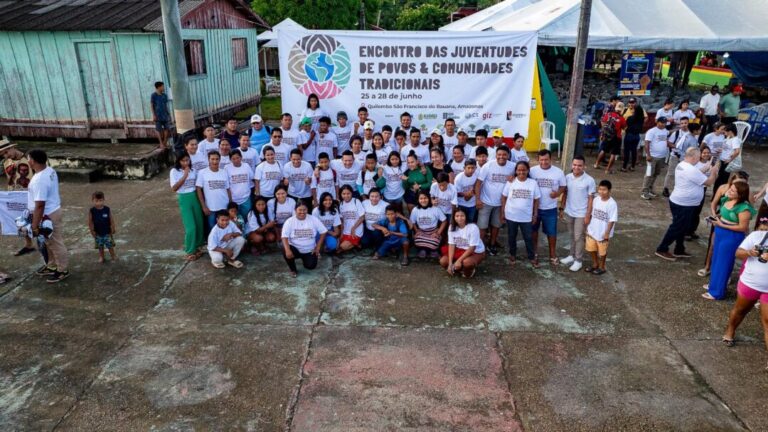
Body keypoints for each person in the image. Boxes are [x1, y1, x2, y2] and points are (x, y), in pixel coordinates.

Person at [656, 147, 720, 261]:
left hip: (681, 202)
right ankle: (662, 248)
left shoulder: (682, 165)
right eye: (698, 157)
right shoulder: (690, 169)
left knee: (682, 226)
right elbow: (709, 182)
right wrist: (714, 172)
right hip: (684, 204)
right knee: (677, 227)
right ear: (694, 157)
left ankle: (679, 249)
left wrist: (707, 166)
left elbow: (697, 173)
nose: (699, 159)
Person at [721, 218, 768, 355]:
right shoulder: (757, 235)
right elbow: (738, 253)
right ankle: (730, 330)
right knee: (740, 310)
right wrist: (749, 253)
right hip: (751, 283)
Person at [703, 181, 756, 300]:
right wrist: (716, 219)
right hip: (720, 232)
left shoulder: (744, 208)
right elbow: (723, 214)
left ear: (740, 194)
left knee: (723, 263)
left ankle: (717, 292)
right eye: (730, 188)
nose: (729, 191)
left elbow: (743, 227)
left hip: (732, 236)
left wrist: (722, 225)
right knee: (716, 259)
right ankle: (713, 285)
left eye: (732, 190)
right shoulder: (727, 199)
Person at [27, 149, 69, 283]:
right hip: (52, 211)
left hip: (48, 215)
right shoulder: (49, 170)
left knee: (55, 243)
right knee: (48, 241)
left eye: (29, 158)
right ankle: (52, 265)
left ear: (33, 161)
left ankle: (62, 269)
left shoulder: (39, 180)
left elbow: (40, 205)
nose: (28, 161)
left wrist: (34, 225)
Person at [699, 171, 750, 277]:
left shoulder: (745, 194)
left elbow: (746, 214)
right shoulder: (723, 188)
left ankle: (725, 275)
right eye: (736, 182)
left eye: (742, 183)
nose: (738, 185)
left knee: (727, 253)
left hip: (733, 225)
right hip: (719, 219)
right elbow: (714, 203)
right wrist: (714, 216)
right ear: (732, 181)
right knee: (713, 246)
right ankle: (708, 267)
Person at [500, 160, 541, 268]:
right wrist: (502, 212)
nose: (521, 172)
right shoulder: (511, 182)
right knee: (511, 236)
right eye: (519, 170)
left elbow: (537, 199)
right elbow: (503, 197)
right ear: (516, 171)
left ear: (528, 170)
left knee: (528, 237)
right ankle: (512, 255)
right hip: (511, 215)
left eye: (524, 170)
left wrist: (535, 214)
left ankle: (531, 257)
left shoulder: (533, 183)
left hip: (526, 217)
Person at [475, 146, 514, 255]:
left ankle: (492, 244)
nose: (501, 157)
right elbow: (478, 183)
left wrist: (514, 178)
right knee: (482, 226)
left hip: (501, 203)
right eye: (499, 154)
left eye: (504, 154)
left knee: (496, 225)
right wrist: (478, 199)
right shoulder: (488, 166)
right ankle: (480, 246)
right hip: (485, 201)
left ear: (508, 156)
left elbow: (520, 178)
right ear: (496, 155)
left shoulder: (513, 166)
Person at [560, 155, 596, 272]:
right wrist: (562, 208)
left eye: (579, 165)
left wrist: (588, 215)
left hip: (582, 213)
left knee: (578, 237)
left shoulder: (589, 180)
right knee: (571, 235)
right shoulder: (567, 177)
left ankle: (578, 260)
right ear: (572, 165)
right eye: (574, 165)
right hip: (569, 211)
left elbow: (591, 199)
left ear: (584, 166)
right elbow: (565, 193)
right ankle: (571, 255)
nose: (576, 167)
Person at [530, 149, 566, 265]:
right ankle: (534, 253)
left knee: (551, 232)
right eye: (541, 160)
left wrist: (557, 194)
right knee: (533, 231)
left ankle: (552, 254)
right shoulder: (532, 171)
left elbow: (563, 186)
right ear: (538, 159)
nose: (544, 162)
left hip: (550, 208)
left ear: (551, 159)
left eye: (546, 160)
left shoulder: (558, 172)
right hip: (534, 208)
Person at [1, 139, 35, 256]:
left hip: (32, 195)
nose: (6, 156)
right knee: (20, 221)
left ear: (12, 148)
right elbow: (10, 180)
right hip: (16, 195)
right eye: (3, 154)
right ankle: (29, 244)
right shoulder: (7, 162)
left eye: (6, 152)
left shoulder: (29, 160)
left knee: (38, 220)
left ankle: (45, 245)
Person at [170, 151, 205, 261]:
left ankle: (197, 247)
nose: (186, 163)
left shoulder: (193, 170)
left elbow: (197, 185)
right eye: (183, 161)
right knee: (191, 227)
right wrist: (185, 175)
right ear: (178, 161)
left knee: (199, 224)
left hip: (195, 197)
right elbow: (174, 188)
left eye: (187, 160)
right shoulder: (174, 171)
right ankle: (189, 250)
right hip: (184, 198)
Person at [281, 201, 327, 277]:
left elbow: (323, 231)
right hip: (295, 249)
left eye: (304, 210)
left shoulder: (313, 219)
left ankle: (305, 259)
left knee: (311, 266)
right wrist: (287, 250)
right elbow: (284, 237)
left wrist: (318, 247)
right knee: (285, 248)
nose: (302, 212)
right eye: (300, 210)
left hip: (309, 250)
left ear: (307, 210)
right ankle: (293, 269)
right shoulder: (289, 221)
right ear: (295, 210)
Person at [584, 180, 618, 275]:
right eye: (600, 189)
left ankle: (602, 267)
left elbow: (612, 220)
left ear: (609, 191)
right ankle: (595, 263)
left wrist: (607, 233)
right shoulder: (596, 200)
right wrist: (588, 226)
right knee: (591, 248)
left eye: (604, 190)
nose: (601, 192)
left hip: (603, 232)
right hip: (592, 230)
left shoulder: (612, 204)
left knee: (602, 252)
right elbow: (592, 213)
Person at [440, 207, 485, 278]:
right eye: (457, 216)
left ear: (466, 216)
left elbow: (472, 248)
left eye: (462, 216)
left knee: (467, 263)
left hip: (475, 251)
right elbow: (451, 245)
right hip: (459, 249)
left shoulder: (473, 227)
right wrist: (450, 263)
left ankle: (470, 269)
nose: (459, 218)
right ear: (453, 217)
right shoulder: (451, 227)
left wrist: (459, 260)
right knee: (443, 261)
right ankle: (458, 268)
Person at [663, 119, 700, 197]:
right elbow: (682, 149)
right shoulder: (688, 137)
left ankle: (676, 189)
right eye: (682, 123)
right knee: (672, 173)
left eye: (686, 123)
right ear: (694, 131)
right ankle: (666, 188)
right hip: (678, 157)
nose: (684, 125)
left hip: (682, 157)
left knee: (681, 175)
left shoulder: (689, 136)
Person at [195, 151, 231, 229]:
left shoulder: (224, 172)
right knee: (211, 228)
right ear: (208, 159)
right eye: (212, 159)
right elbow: (198, 190)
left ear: (220, 160)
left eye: (217, 159)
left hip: (224, 206)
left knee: (225, 227)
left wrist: (230, 203)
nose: (215, 161)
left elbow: (228, 189)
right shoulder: (202, 173)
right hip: (210, 207)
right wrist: (204, 206)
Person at [408, 190, 447, 259]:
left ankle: (433, 251)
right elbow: (412, 222)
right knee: (417, 240)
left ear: (429, 198)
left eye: (425, 198)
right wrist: (416, 231)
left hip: (433, 231)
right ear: (418, 200)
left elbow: (444, 221)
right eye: (421, 198)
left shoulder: (435, 209)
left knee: (435, 241)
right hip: (422, 232)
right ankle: (423, 250)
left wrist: (438, 233)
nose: (423, 200)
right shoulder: (415, 210)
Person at [686, 146, 715, 240]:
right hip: (694, 189)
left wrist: (714, 170)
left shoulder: (710, 163)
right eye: (704, 153)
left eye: (708, 152)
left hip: (703, 189)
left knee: (697, 211)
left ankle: (692, 230)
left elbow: (712, 178)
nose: (706, 154)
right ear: (700, 154)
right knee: (691, 210)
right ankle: (686, 232)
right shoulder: (695, 163)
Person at [640, 117, 671, 200]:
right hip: (652, 156)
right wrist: (648, 155)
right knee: (649, 174)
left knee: (656, 174)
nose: (663, 124)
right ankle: (644, 192)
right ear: (657, 122)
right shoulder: (651, 131)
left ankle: (650, 189)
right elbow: (647, 143)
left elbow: (668, 135)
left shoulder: (665, 131)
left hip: (662, 157)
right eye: (662, 122)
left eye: (665, 122)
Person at [595, 105, 626, 174]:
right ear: (622, 110)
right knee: (613, 154)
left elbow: (603, 123)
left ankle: (596, 164)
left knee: (603, 150)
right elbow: (624, 127)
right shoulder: (621, 118)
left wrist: (603, 134)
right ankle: (608, 169)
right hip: (616, 137)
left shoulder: (608, 114)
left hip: (607, 135)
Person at [713, 123, 743, 193]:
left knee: (722, 180)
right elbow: (727, 149)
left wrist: (730, 160)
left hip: (726, 162)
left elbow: (737, 151)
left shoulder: (735, 140)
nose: (724, 133)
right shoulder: (729, 138)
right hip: (723, 160)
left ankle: (719, 194)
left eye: (726, 131)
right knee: (720, 179)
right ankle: (716, 193)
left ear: (730, 131)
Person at [87, 191, 116, 263]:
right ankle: (101, 257)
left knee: (110, 245)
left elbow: (111, 219)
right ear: (93, 201)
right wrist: (92, 231)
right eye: (96, 201)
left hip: (107, 232)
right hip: (98, 232)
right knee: (100, 246)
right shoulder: (92, 210)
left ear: (103, 200)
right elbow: (90, 222)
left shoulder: (107, 209)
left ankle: (113, 256)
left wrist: (113, 227)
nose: (99, 203)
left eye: (100, 200)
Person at [225, 149, 254, 221]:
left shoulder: (246, 166)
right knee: (235, 220)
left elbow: (252, 178)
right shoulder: (227, 168)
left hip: (246, 198)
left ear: (241, 157)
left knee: (247, 218)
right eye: (233, 159)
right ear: (230, 159)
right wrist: (230, 200)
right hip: (233, 200)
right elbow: (227, 186)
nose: (236, 160)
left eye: (237, 158)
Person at [338, 185, 365, 253]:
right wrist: (341, 233)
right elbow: (342, 220)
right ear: (341, 194)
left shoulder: (356, 201)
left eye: (348, 193)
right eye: (344, 194)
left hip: (356, 230)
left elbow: (362, 217)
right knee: (337, 246)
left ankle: (356, 243)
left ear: (351, 193)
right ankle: (355, 244)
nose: (346, 196)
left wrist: (353, 228)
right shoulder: (341, 204)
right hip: (346, 230)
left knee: (343, 247)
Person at [621, 98, 645, 171]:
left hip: (629, 135)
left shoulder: (630, 118)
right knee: (634, 151)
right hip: (637, 136)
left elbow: (625, 125)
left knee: (627, 151)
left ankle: (624, 167)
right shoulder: (641, 119)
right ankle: (632, 167)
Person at [454, 158, 478, 223]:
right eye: (468, 168)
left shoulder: (477, 175)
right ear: (464, 168)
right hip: (461, 204)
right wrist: (466, 194)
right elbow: (456, 193)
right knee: (461, 222)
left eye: (473, 168)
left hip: (472, 204)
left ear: (476, 168)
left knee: (470, 221)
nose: (471, 170)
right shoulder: (459, 178)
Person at [150, 81, 171, 149]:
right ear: (158, 87)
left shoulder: (164, 95)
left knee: (167, 129)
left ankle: (164, 143)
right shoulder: (153, 95)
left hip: (165, 115)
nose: (163, 88)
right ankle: (161, 143)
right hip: (157, 115)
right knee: (158, 129)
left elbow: (165, 106)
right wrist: (154, 115)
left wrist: (168, 114)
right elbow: (152, 105)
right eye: (162, 86)